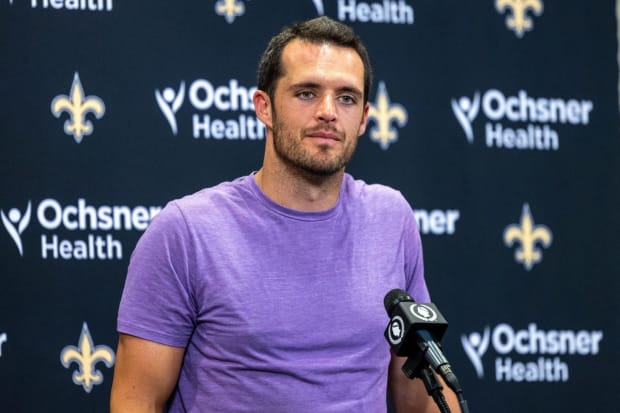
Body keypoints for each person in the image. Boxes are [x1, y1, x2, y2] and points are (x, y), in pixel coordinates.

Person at [110, 16, 459, 413]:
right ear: (265, 107)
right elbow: (137, 401)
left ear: (364, 118)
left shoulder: (390, 219)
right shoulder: (186, 231)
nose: (328, 112)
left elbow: (421, 395)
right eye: (307, 93)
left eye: (346, 98)